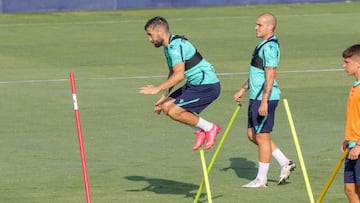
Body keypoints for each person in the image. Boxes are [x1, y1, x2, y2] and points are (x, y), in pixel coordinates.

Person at [139, 16, 221, 151]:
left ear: (160, 32)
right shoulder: (167, 47)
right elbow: (172, 72)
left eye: (150, 34)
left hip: (207, 86)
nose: (149, 39)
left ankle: (210, 128)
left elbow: (179, 75)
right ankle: (200, 130)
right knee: (166, 106)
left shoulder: (176, 46)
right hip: (194, 85)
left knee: (175, 111)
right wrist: (164, 95)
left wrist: (157, 88)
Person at [233, 13, 295, 188]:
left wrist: (264, 101)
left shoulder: (270, 48)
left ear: (270, 27)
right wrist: (243, 89)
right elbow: (257, 73)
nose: (256, 27)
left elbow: (270, 74)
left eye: (259, 25)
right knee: (253, 135)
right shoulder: (263, 45)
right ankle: (285, 162)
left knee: (262, 137)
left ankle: (261, 179)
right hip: (256, 97)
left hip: (264, 98)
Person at [340, 44, 360, 203]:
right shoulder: (355, 86)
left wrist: (359, 145)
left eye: (347, 62)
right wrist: (348, 139)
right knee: (350, 189)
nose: (343, 66)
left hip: (359, 146)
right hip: (353, 144)